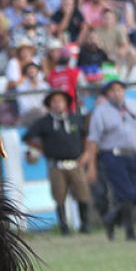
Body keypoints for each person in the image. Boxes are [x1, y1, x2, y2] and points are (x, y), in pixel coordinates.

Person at [82, 80, 136, 241]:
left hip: (133, 153)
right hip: (112, 155)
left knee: (134, 196)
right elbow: (93, 139)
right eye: (113, 91)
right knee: (125, 193)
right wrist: (92, 165)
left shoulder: (133, 105)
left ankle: (111, 218)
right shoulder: (101, 112)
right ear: (107, 95)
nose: (117, 93)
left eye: (120, 89)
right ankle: (129, 230)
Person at [24, 90, 92, 235]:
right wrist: (43, 149)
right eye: (54, 101)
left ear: (66, 103)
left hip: (75, 163)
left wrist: (86, 153)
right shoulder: (45, 122)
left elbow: (86, 135)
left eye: (60, 101)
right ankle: (64, 227)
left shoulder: (75, 119)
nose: (57, 104)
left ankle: (85, 224)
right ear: (49, 105)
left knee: (82, 194)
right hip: (56, 165)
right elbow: (28, 137)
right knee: (59, 196)